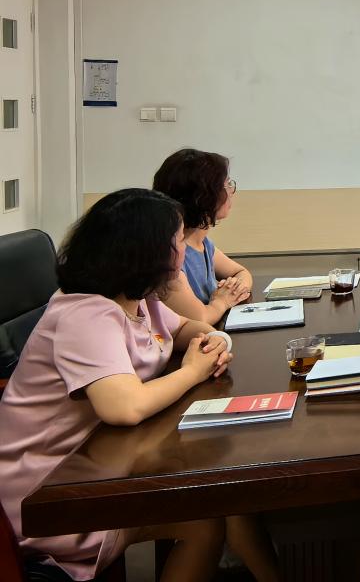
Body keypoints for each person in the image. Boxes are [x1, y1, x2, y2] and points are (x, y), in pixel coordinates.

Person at [0, 188, 280, 582]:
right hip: (49, 493)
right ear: (147, 253)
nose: (183, 251)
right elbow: (124, 407)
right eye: (178, 240)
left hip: (106, 458)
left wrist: (210, 340)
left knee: (218, 504)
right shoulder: (86, 313)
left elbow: (182, 329)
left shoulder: (138, 299)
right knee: (205, 517)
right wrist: (194, 371)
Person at [152, 148, 253, 324]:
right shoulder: (170, 255)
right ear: (202, 197)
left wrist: (233, 289)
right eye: (226, 185)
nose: (231, 191)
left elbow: (241, 273)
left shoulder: (202, 243)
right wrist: (222, 301)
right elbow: (200, 319)